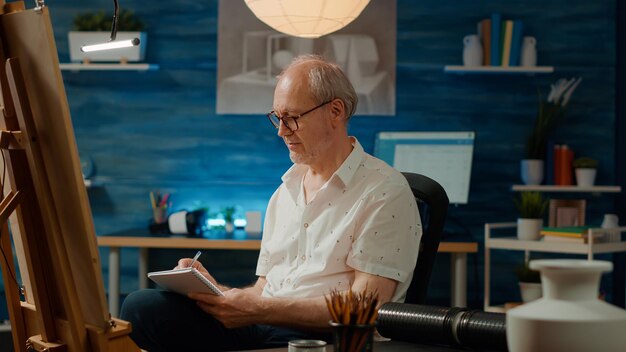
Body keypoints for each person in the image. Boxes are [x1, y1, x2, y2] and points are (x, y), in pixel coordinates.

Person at [120, 54, 421, 351]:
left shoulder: (384, 190)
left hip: (329, 336)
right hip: (265, 325)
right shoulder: (285, 192)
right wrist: (218, 293)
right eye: (277, 117)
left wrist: (260, 310)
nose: (281, 131)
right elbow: (266, 289)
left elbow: (365, 307)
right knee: (143, 307)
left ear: (336, 111)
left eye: (292, 118)